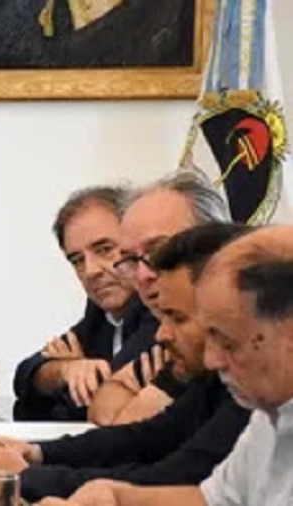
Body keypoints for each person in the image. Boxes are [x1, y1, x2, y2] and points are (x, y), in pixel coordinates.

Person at [0, 223, 252, 502]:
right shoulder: (103, 318)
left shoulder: (250, 394)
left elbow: (172, 476)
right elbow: (145, 437)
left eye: (177, 318)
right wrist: (35, 453)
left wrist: (27, 476)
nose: (162, 334)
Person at [39, 225, 293, 506]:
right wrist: (119, 497)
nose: (212, 358)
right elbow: (210, 500)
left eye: (229, 342)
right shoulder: (267, 417)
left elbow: (173, 465)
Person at [88, 169, 231, 425]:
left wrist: (156, 390)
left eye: (160, 251)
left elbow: (128, 428)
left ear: (216, 245)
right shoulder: (157, 326)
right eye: (132, 259)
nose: (143, 275)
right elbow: (105, 408)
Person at [13, 186, 157, 421]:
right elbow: (25, 376)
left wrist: (77, 379)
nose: (90, 271)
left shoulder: (158, 311)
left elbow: (106, 403)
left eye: (105, 249)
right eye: (78, 260)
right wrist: (66, 370)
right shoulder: (98, 317)